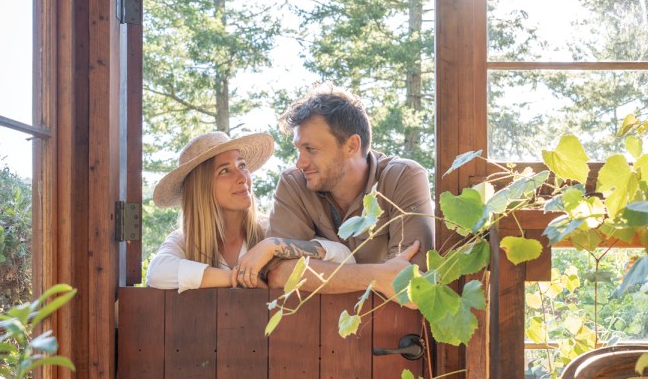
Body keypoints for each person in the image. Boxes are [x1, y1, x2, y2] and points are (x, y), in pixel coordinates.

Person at [241, 85, 435, 301]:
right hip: (314, 328)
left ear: (352, 145)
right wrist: (378, 276)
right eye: (299, 150)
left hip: (392, 330)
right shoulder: (294, 182)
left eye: (311, 149)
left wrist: (312, 271)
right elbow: (278, 275)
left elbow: (411, 287)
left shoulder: (403, 177)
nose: (300, 163)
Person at [146, 130, 353, 291]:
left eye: (242, 165)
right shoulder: (184, 240)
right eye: (225, 170)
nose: (243, 177)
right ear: (201, 188)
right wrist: (236, 278)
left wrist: (273, 246)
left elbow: (343, 256)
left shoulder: (268, 230)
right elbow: (157, 273)